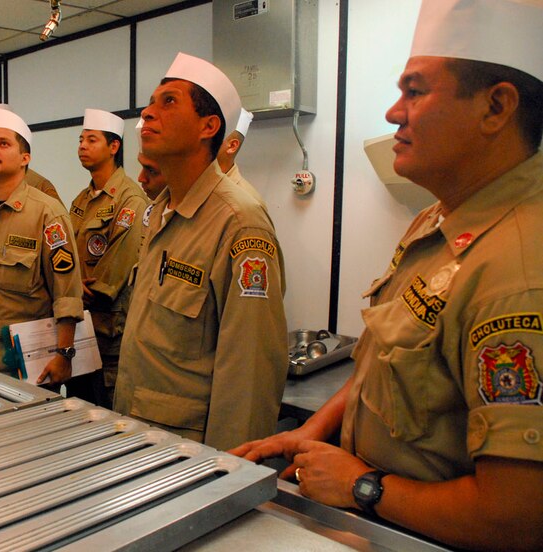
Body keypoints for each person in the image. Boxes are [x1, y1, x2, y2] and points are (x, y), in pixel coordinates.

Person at [231, 1, 543, 549]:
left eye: (415, 92)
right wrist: (309, 433)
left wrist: (365, 487)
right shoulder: (439, 219)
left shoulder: (518, 271)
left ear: (496, 106)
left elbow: (516, 517)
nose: (393, 113)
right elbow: (387, 367)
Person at [113, 53, 288, 451]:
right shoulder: (160, 210)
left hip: (190, 452)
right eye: (152, 102)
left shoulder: (239, 222)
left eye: (169, 101)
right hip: (140, 434)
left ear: (209, 127)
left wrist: (230, 474)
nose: (148, 112)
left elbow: (250, 370)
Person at [0, 108, 83, 385]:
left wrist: (65, 353)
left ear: (25, 158)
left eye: (3, 144)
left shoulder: (47, 214)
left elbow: (67, 293)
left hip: (25, 364)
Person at [65, 108, 148, 407]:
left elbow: (120, 263)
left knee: (109, 414)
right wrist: (69, 286)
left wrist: (79, 291)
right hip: (79, 328)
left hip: (110, 332)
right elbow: (65, 254)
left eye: (91, 140)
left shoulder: (130, 199)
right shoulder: (81, 200)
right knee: (79, 409)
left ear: (114, 147)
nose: (82, 146)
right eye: (80, 140)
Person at [216, 108, 286, 295]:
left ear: (232, 145)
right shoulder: (196, 193)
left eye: (213, 138)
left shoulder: (247, 204)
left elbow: (254, 296)